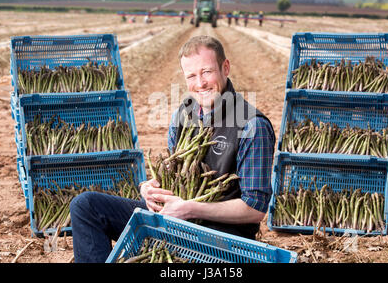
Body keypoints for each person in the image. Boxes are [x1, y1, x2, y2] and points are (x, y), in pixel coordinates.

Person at [69, 35, 276, 263]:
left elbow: (255, 209)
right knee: (86, 206)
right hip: (173, 216)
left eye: (206, 72)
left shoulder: (252, 125)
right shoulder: (183, 114)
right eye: (191, 76)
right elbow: (172, 174)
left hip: (221, 236)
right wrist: (150, 189)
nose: (200, 83)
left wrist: (191, 209)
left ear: (225, 68)